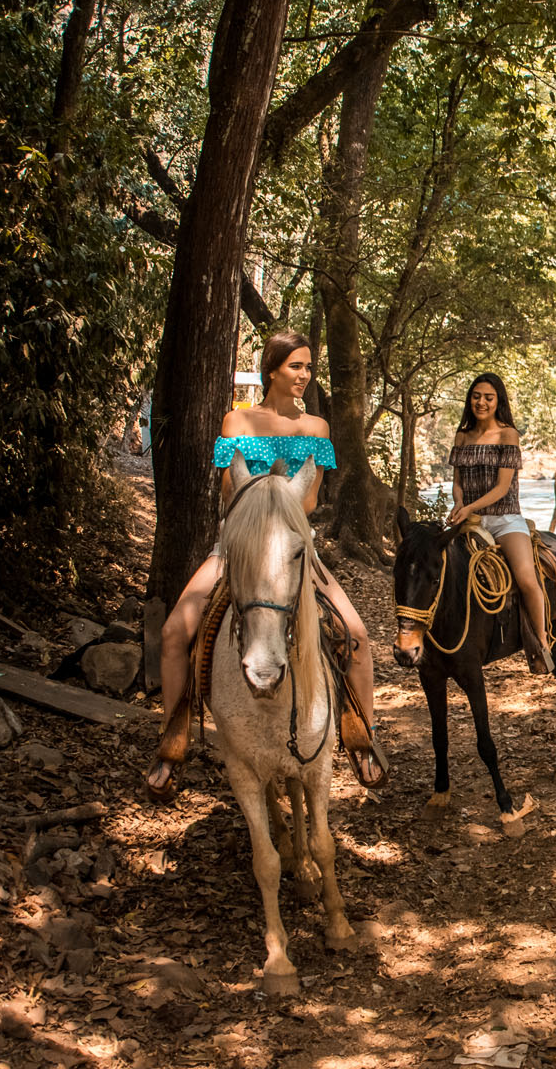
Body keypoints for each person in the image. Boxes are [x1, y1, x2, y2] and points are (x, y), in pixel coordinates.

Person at [144, 330, 387, 800]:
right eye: (296, 366)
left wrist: (281, 505)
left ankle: (361, 735)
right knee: (175, 632)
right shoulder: (236, 422)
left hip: (296, 547)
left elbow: (311, 499)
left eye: (309, 367)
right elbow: (228, 491)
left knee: (356, 635)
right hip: (236, 545)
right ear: (272, 368)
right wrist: (264, 504)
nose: (305, 376)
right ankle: (173, 741)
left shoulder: (317, 428)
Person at [447, 373, 554, 674]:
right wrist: (459, 504)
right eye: (476, 396)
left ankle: (541, 644)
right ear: (470, 399)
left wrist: (468, 506)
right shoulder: (462, 436)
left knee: (526, 579)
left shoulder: (508, 435)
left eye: (488, 397)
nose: (481, 402)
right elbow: (457, 482)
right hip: (469, 518)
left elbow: (502, 488)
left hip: (505, 518)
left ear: (498, 402)